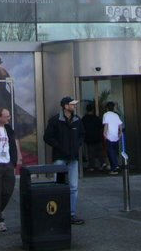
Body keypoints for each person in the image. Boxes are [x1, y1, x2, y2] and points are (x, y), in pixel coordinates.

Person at [44, 96, 85, 225]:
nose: (74, 106)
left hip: (73, 158)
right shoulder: (55, 121)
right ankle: (58, 212)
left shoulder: (78, 120)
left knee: (73, 187)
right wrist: (60, 146)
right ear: (65, 106)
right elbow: (47, 137)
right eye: (72, 104)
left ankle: (71, 213)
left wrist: (76, 145)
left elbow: (82, 135)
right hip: (60, 158)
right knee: (58, 186)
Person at [81, 103, 106, 172]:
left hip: (89, 138)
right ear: (92, 110)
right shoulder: (96, 118)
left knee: (90, 153)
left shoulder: (84, 119)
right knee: (99, 151)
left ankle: (91, 166)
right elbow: (101, 127)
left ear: (86, 110)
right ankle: (102, 163)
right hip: (97, 137)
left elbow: (82, 128)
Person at [102, 101, 124, 174]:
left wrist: (104, 133)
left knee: (110, 152)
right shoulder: (116, 115)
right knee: (114, 151)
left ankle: (115, 166)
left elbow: (106, 125)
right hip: (116, 136)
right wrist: (120, 132)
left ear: (107, 108)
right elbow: (120, 124)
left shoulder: (106, 115)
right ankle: (113, 169)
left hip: (109, 136)